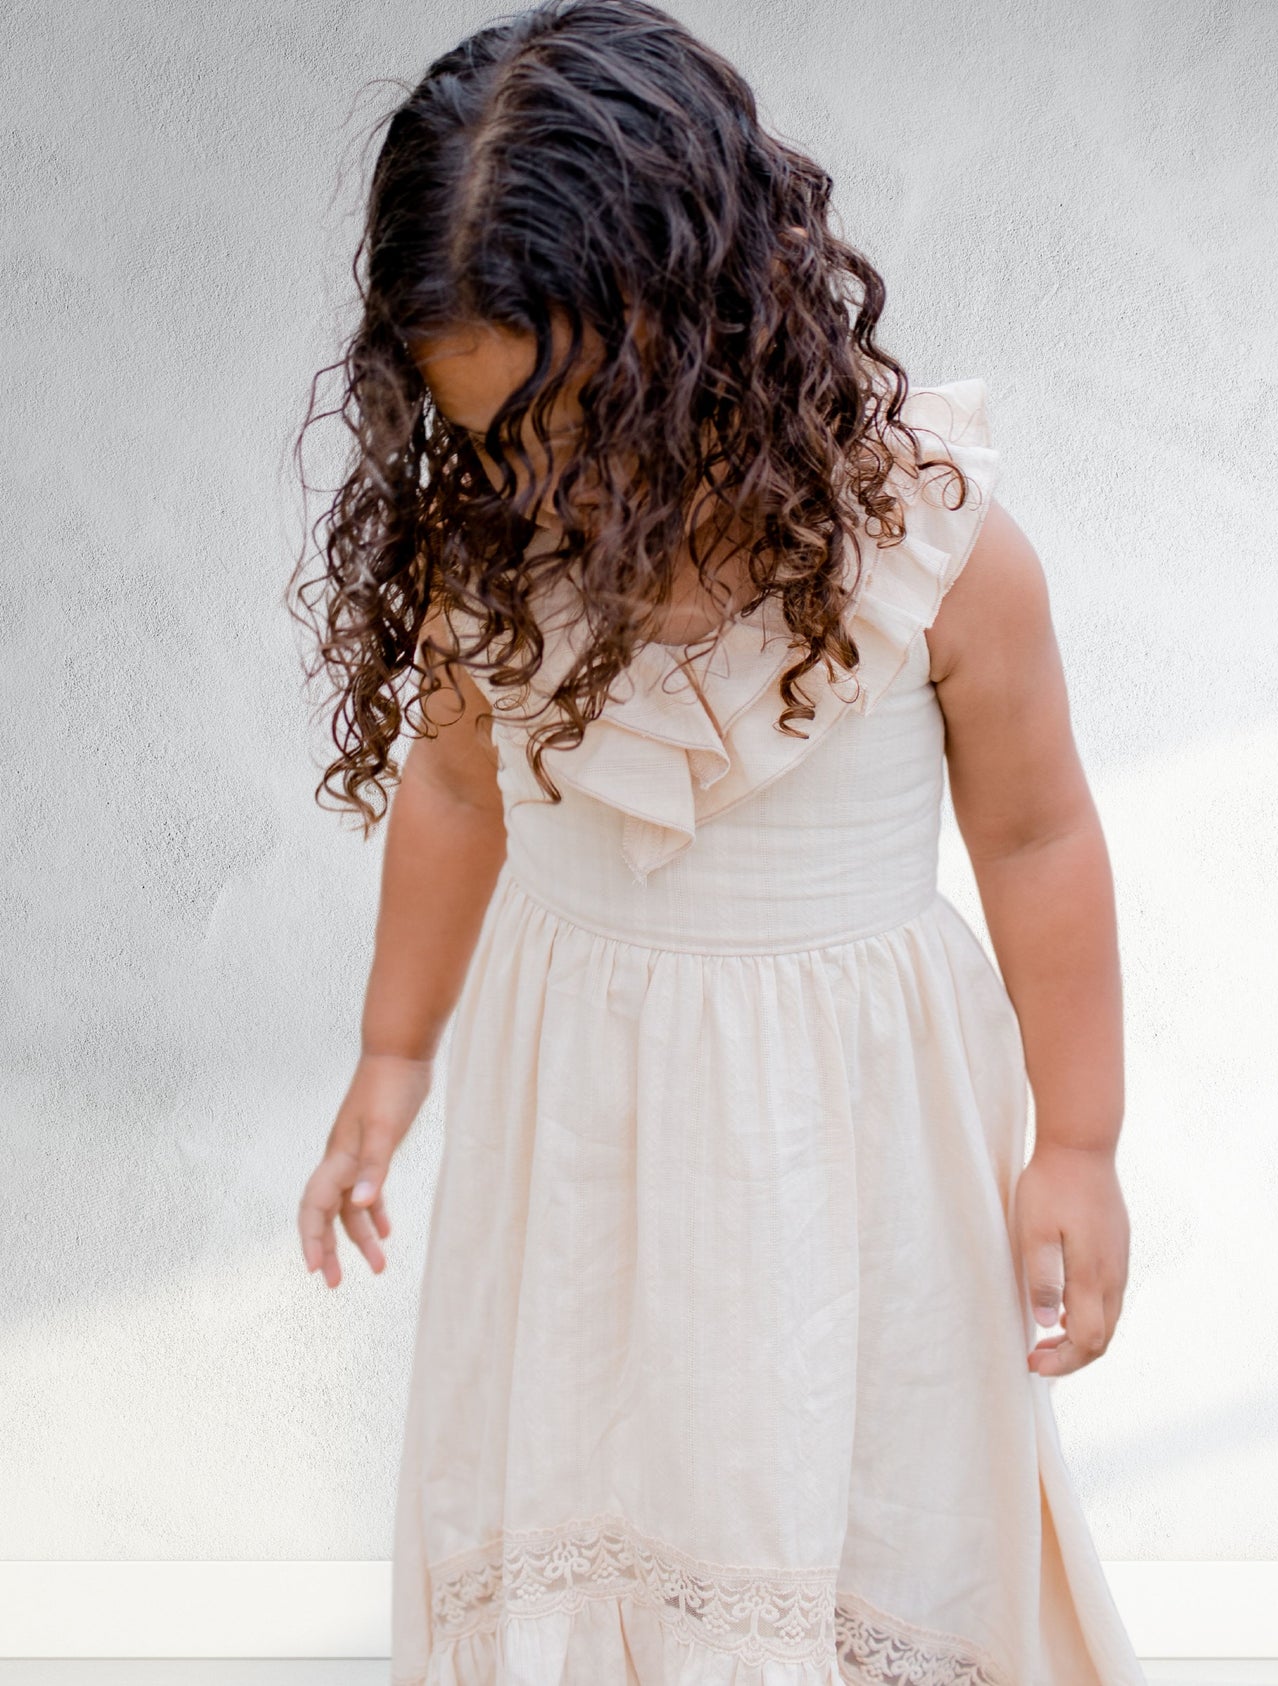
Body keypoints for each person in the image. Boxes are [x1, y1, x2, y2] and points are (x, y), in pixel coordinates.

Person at [291, 2, 1148, 1681]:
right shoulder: (497, 567)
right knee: (588, 1456)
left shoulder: (927, 549)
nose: (546, 483)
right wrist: (391, 1054)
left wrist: (1081, 1141)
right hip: (578, 1110)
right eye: (492, 442)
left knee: (853, 1465)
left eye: (584, 418)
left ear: (716, 328)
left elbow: (1039, 833)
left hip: (848, 1121)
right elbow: (457, 790)